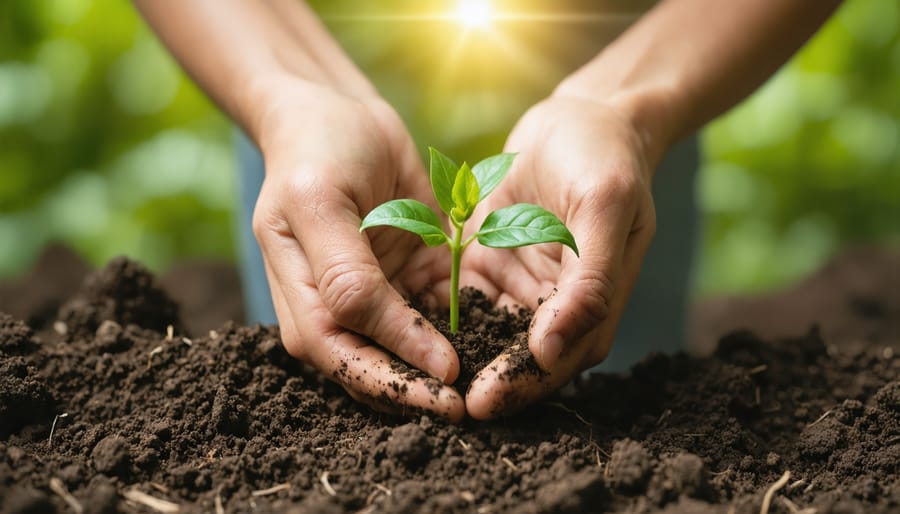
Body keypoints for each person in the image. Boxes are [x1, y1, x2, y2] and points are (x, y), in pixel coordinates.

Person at [135, 0, 839, 422]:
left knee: (615, 390)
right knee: (328, 382)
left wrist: (627, 109)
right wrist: (287, 95)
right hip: (294, 41)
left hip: (650, 47)